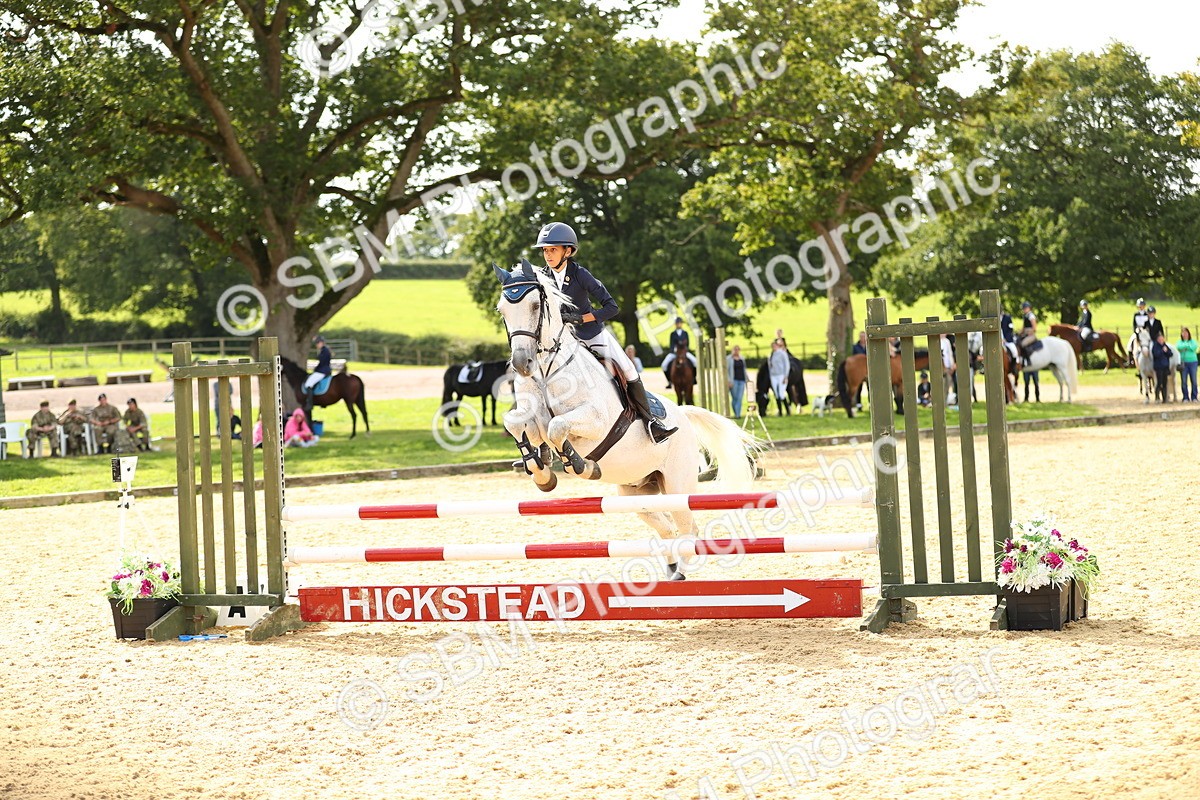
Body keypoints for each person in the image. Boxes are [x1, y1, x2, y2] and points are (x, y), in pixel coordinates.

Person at [532, 221, 676, 443]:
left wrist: (582, 318)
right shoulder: (542, 277)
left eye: (553, 249)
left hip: (591, 335)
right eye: (545, 250)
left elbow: (611, 307)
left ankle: (651, 423)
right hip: (563, 341)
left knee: (628, 369)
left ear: (567, 251)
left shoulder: (581, 275)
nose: (548, 255)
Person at [661, 317, 697, 388]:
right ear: (675, 324)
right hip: (674, 353)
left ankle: (694, 379)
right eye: (677, 323)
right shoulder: (672, 334)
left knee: (695, 362)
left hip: (684, 352)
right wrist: (674, 350)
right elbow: (671, 344)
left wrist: (684, 350)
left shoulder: (685, 333)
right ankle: (669, 381)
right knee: (664, 365)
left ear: (681, 324)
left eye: (680, 323)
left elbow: (687, 344)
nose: (678, 324)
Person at [303, 334, 332, 418]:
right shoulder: (324, 350)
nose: (316, 345)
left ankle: (310, 404)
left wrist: (316, 369)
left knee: (308, 384)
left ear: (321, 343)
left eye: (317, 343)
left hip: (322, 371)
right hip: (323, 370)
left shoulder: (324, 351)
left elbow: (322, 363)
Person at [768, 338, 790, 416]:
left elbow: (786, 365)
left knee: (781, 394)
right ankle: (780, 411)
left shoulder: (782, 353)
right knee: (777, 394)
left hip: (781, 375)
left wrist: (785, 376)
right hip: (773, 375)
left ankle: (787, 410)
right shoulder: (771, 355)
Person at [1151, 333, 1174, 403]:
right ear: (1157, 340)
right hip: (1159, 367)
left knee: (1165, 383)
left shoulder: (1165, 345)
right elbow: (1156, 354)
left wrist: (1166, 351)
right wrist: (1162, 351)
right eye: (1160, 339)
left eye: (1162, 339)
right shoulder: (1155, 346)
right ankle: (1157, 397)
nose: (1161, 340)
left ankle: (1165, 398)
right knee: (1159, 383)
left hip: (1165, 367)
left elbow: (1170, 354)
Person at [1177, 327, 1198, 402]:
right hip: (1184, 363)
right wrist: (1187, 346)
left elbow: (1194, 348)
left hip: (1193, 362)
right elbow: (1179, 347)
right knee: (1184, 381)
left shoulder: (1193, 341)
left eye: (1186, 333)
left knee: (1194, 380)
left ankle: (1194, 396)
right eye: (1183, 333)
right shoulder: (1180, 342)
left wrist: (1186, 346)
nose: (1185, 334)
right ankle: (1185, 397)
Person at [726, 344, 747, 418]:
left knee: (739, 398)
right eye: (735, 349)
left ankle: (738, 414)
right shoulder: (729, 359)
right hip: (733, 381)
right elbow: (726, 371)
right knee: (735, 398)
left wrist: (747, 379)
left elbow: (744, 370)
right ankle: (735, 412)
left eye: (738, 349)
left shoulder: (742, 358)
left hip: (741, 380)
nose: (736, 351)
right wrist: (729, 381)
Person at [1017, 301, 1037, 366]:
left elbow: (1034, 328)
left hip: (1031, 335)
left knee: (1023, 344)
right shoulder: (1025, 316)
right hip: (1025, 334)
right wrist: (1018, 333)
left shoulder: (1031, 316)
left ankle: (1028, 360)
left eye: (1025, 308)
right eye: (1024, 308)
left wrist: (1029, 333)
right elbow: (1023, 328)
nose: (1024, 310)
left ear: (1029, 308)